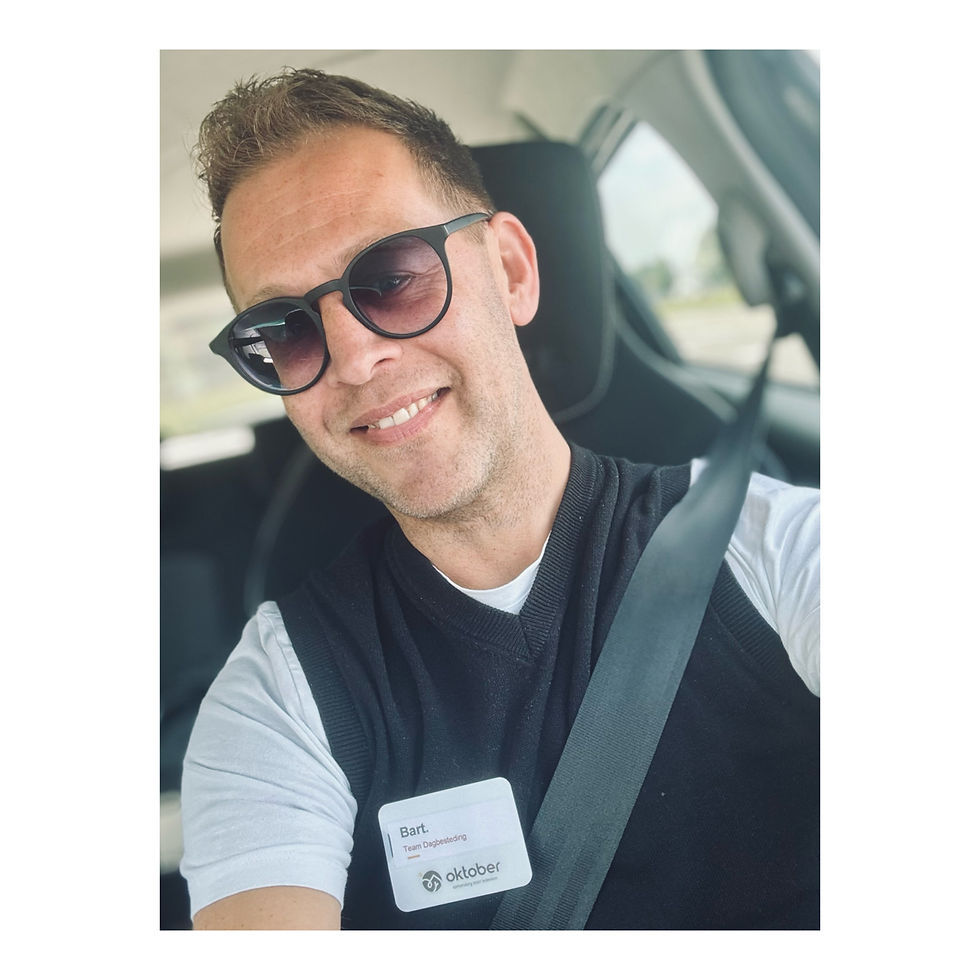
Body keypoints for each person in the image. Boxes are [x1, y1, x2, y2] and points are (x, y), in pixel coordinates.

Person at [180, 68, 820, 930]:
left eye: (391, 277)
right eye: (283, 330)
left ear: (512, 271)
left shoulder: (774, 549)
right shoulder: (283, 695)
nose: (355, 359)